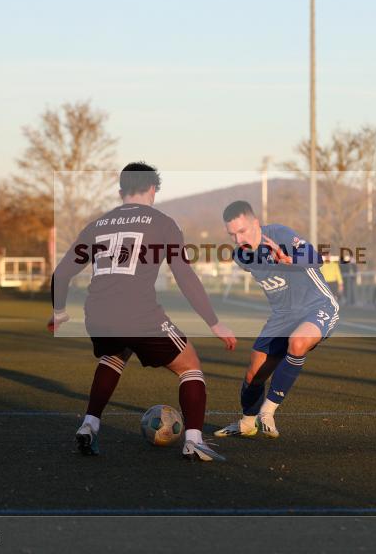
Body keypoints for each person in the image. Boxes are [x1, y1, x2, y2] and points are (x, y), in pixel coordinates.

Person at [49, 162, 237, 462]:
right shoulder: (162, 222)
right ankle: (193, 441)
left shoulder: (97, 224)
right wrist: (214, 323)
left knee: (114, 356)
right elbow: (184, 276)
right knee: (189, 366)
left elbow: (61, 274)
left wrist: (58, 312)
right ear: (153, 188)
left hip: (96, 313)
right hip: (139, 314)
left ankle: (89, 425)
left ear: (121, 190)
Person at [214, 200, 338, 439]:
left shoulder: (279, 234)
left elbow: (315, 257)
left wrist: (290, 259)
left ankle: (267, 412)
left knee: (298, 342)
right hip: (282, 315)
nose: (239, 240)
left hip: (317, 305)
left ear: (256, 224)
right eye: (233, 235)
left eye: (242, 231)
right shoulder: (241, 256)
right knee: (254, 375)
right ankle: (247, 423)